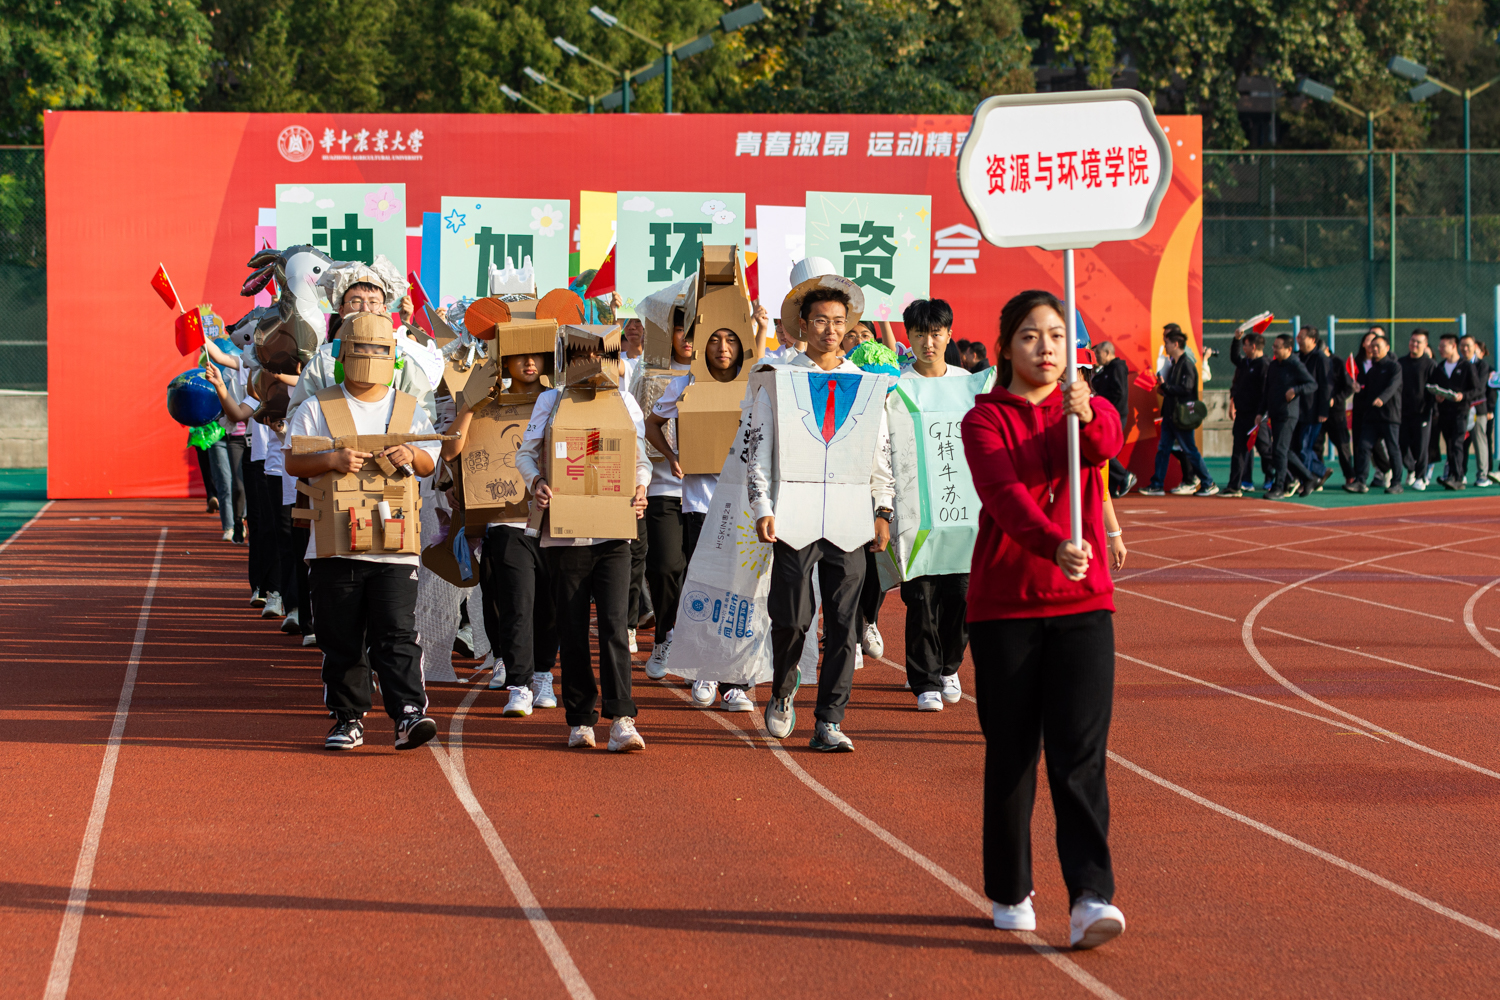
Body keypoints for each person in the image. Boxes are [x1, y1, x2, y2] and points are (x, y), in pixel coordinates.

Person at [961, 288, 1126, 949]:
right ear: (1005, 347)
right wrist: (1054, 543)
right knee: (1011, 754)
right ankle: (1009, 889)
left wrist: (1086, 416)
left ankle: (1090, 895)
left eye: (1056, 335)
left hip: (1086, 605)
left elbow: (1109, 445)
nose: (1046, 347)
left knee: (1080, 756)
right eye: (1030, 335)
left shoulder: (1086, 409)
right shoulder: (984, 422)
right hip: (1006, 606)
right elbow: (1004, 492)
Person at [748, 257, 894, 753]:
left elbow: (879, 452)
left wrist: (882, 509)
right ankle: (783, 689)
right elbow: (759, 447)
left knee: (843, 621)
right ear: (802, 326)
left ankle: (829, 718)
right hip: (794, 512)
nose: (830, 331)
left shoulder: (865, 381)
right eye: (820, 322)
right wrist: (763, 505)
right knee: (791, 615)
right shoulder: (778, 376)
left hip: (851, 515)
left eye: (838, 322)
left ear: (848, 326)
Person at [283, 312, 441, 752]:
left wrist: (411, 451)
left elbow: (431, 462)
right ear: (342, 352)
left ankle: (408, 713)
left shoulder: (409, 407)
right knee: (341, 635)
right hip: (334, 546)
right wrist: (331, 461)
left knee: (396, 632)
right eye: (361, 348)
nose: (369, 357)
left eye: (379, 349)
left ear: (393, 355)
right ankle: (348, 717)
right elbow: (293, 460)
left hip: (395, 546)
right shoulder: (318, 405)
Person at [515, 337, 653, 752]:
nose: (590, 364)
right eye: (580, 357)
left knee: (615, 625)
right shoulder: (551, 401)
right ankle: (579, 719)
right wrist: (537, 482)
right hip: (565, 534)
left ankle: (622, 717)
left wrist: (641, 488)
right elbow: (526, 454)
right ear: (567, 361)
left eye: (598, 356)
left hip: (613, 532)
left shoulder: (625, 403)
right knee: (572, 627)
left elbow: (640, 459)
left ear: (610, 360)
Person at [441, 351, 560, 716]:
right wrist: (470, 406)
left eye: (535, 356)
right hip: (505, 521)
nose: (528, 364)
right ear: (503, 362)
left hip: (557, 521)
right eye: (518, 357)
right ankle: (520, 682)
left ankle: (543, 675)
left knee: (550, 606)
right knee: (515, 604)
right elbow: (449, 450)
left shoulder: (562, 399)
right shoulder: (485, 402)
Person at [644, 321, 755, 710]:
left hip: (745, 503)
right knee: (706, 586)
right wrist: (674, 457)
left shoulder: (755, 381)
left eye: (730, 340)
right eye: (714, 340)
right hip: (700, 503)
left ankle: (735, 680)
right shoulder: (685, 385)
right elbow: (652, 424)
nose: (722, 348)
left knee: (742, 591)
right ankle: (706, 669)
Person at [897, 298, 977, 710]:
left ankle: (949, 666)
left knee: (960, 595)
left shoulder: (969, 385)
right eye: (919, 333)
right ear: (907, 336)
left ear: (949, 333)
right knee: (921, 596)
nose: (928, 342)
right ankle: (925, 679)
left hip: (962, 511)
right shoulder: (896, 386)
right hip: (916, 513)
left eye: (936, 332)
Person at [1141, 325, 1217, 496]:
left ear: (1175, 344)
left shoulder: (1186, 364)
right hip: (1171, 414)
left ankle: (1207, 482)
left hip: (1181, 415)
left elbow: (1186, 388)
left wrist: (1165, 386)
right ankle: (1157, 484)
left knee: (1189, 449)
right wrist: (1164, 388)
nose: (1165, 346)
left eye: (1167, 343)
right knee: (1164, 448)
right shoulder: (1175, 364)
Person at [1345, 334, 1403, 494]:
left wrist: (1382, 399)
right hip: (1372, 418)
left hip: (1389, 416)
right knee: (1363, 446)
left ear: (1387, 348)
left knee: (1393, 449)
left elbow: (1392, 387)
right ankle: (1360, 481)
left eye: (1378, 346)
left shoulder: (1394, 367)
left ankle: (1396, 483)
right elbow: (1366, 394)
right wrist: (1358, 390)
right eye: (1373, 346)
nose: (1374, 349)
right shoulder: (1372, 370)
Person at [1262, 334, 1318, 499]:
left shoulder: (1295, 364)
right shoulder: (1273, 366)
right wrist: (1261, 412)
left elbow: (1312, 384)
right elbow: (1267, 391)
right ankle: (1308, 478)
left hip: (1288, 414)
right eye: (1273, 346)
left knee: (1279, 450)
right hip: (1275, 413)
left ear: (1288, 349)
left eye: (1277, 347)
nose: (1274, 349)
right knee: (1281, 450)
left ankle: (1279, 487)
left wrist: (1295, 390)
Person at [1429, 332, 1480, 489]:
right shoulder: (1439, 367)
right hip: (1444, 413)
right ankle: (1451, 475)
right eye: (1439, 346)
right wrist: (1437, 396)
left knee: (1457, 444)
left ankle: (1458, 477)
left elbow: (1477, 389)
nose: (1440, 349)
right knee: (1450, 444)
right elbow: (1432, 386)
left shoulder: (1466, 366)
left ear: (1453, 346)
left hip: (1461, 412)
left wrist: (1462, 396)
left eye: (1443, 346)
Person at [1223, 328, 1269, 497]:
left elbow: (1265, 392)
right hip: (1242, 415)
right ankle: (1234, 486)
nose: (1243, 348)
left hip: (1257, 416)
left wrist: (1261, 413)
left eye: (1246, 345)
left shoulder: (1264, 365)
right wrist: (1236, 339)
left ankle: (1286, 478)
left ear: (1255, 347)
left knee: (1266, 450)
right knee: (1238, 451)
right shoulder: (1246, 363)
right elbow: (1235, 358)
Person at [1089, 341, 1135, 497]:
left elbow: (1119, 393)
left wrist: (1103, 404)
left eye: (1098, 353)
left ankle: (1124, 476)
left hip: (1116, 415)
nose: (1096, 357)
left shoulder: (1118, 368)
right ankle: (1114, 484)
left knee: (1106, 448)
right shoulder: (1104, 371)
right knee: (1103, 448)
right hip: (1107, 414)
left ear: (1107, 353)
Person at [1295, 326, 1333, 490]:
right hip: (1298, 410)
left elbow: (1326, 386)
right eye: (1297, 336)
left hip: (1313, 411)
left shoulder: (1321, 358)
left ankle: (1308, 479)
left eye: (1302, 337)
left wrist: (1323, 410)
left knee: (1305, 447)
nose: (1298, 339)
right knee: (1299, 447)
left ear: (1312, 340)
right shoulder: (1297, 357)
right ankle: (1320, 471)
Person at [1398, 329, 1436, 490]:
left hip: (1423, 412)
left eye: (1418, 342)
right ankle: (1411, 469)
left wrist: (1432, 408)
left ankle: (1421, 477)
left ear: (1425, 344)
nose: (1414, 344)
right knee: (1401, 444)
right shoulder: (1401, 362)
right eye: (1412, 340)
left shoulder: (1430, 364)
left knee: (1421, 447)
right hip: (1402, 412)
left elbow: (1435, 388)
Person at [1460, 334, 1493, 488]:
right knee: (1458, 443)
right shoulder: (1457, 364)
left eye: (1468, 346)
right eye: (1463, 345)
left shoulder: (1482, 366)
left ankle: (1482, 475)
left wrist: (1463, 396)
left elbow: (1480, 388)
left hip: (1477, 410)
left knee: (1480, 442)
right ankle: (1458, 474)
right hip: (1460, 410)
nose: (1465, 349)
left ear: (1475, 347)